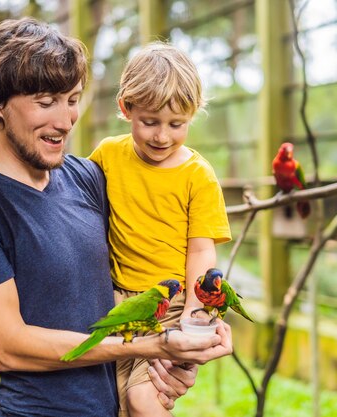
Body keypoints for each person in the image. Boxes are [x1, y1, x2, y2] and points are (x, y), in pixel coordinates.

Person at [0, 17, 233, 417]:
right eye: (45, 102)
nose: (65, 120)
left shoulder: (87, 176)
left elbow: (160, 229)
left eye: (72, 99)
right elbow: (5, 347)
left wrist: (184, 346)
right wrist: (152, 345)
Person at [88, 42, 232, 417]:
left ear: (193, 115)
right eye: (150, 122)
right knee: (116, 403)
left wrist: (196, 314)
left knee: (143, 400)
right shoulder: (107, 155)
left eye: (176, 124)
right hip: (117, 300)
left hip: (171, 304)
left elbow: (201, 251)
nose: (162, 137)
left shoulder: (197, 176)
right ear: (126, 108)